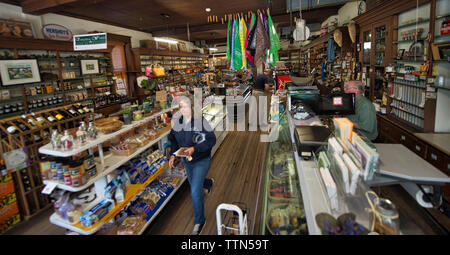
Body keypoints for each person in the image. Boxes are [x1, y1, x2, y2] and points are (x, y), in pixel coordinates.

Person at [168, 95, 216, 235]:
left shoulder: (201, 122)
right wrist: (172, 154)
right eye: (181, 106)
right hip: (187, 161)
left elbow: (211, 140)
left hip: (202, 159)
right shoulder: (178, 123)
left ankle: (199, 221)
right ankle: (208, 183)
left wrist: (195, 149)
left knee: (195, 191)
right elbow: (173, 139)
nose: (183, 109)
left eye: (186, 106)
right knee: (195, 183)